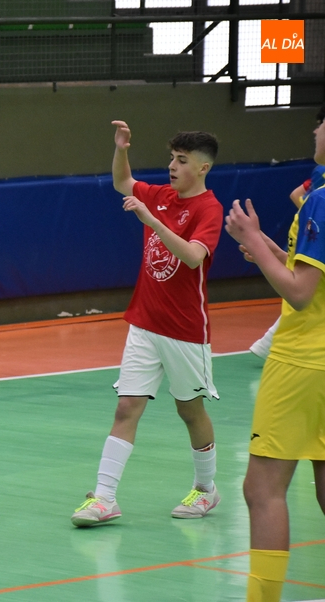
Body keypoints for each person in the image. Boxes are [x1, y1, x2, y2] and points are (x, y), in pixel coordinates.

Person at [71, 121, 223, 527]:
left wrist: (153, 222)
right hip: (144, 323)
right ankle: (104, 498)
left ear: (203, 168)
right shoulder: (159, 195)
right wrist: (121, 148)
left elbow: (192, 256)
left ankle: (206, 490)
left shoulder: (209, 209)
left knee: (189, 411)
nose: (172, 166)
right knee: (126, 407)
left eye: (182, 160)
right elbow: (123, 181)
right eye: (172, 158)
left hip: (186, 331)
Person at [225, 105, 325, 602]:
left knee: (261, 489)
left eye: (322, 123)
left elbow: (302, 292)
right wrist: (264, 243)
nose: (314, 130)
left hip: (304, 362)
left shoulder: (322, 200)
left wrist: (252, 243)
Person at [249, 161, 325, 358]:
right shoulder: (319, 188)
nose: (316, 132)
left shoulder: (318, 202)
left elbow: (299, 292)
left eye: (319, 127)